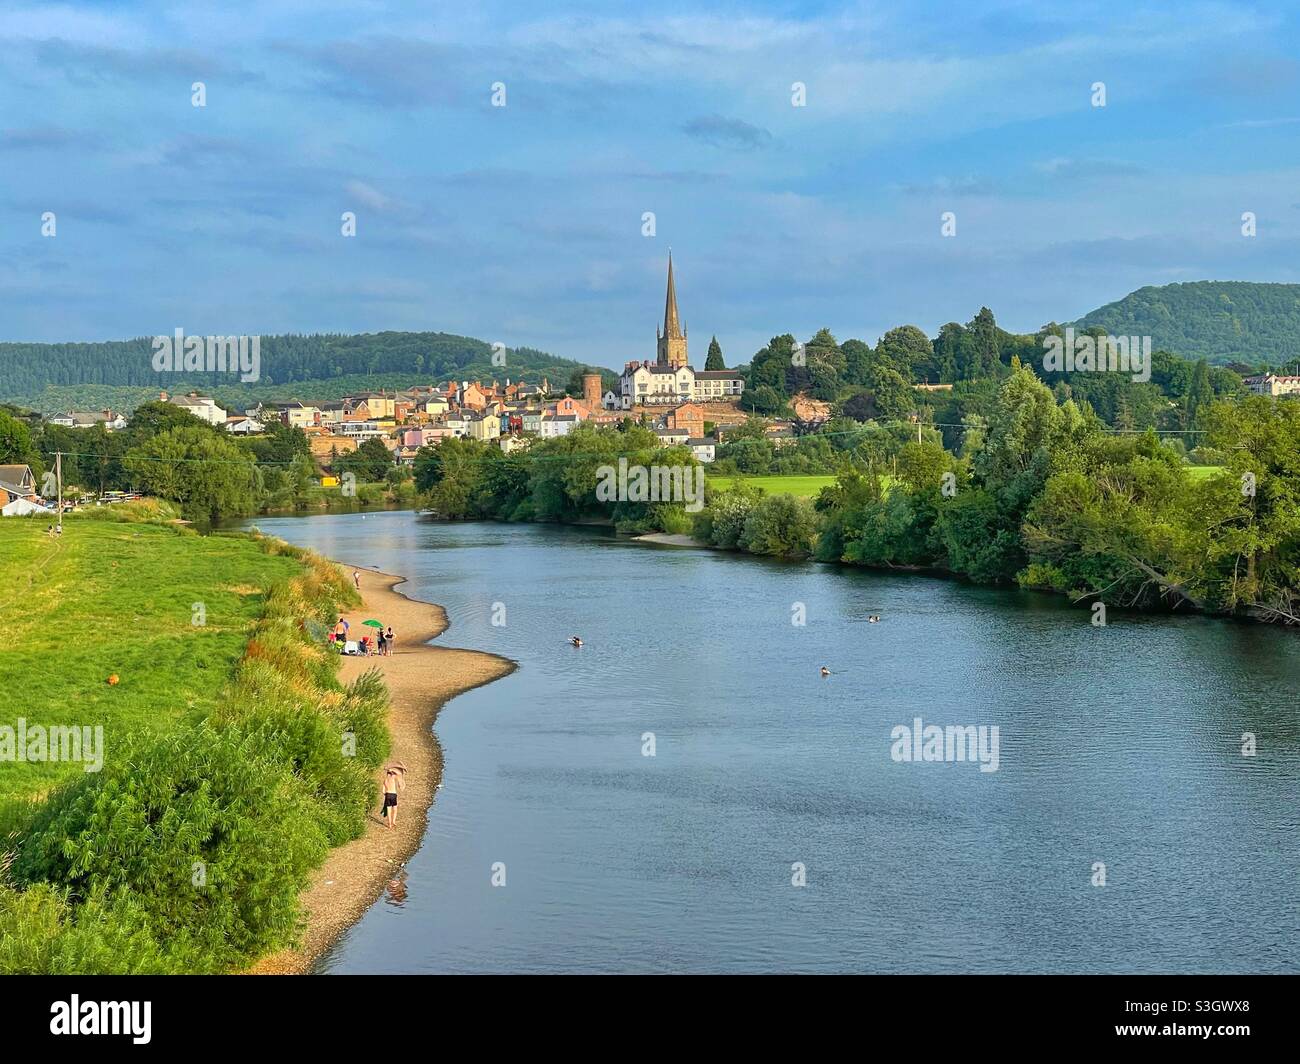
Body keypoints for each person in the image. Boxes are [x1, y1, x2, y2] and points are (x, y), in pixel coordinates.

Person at [380, 763, 406, 828]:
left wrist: (385, 794)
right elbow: (398, 773)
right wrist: (400, 767)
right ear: (391, 774)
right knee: (395, 809)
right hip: (393, 795)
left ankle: (389, 824)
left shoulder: (385, 780)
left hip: (388, 795)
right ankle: (393, 821)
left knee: (389, 810)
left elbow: (383, 791)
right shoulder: (393, 777)